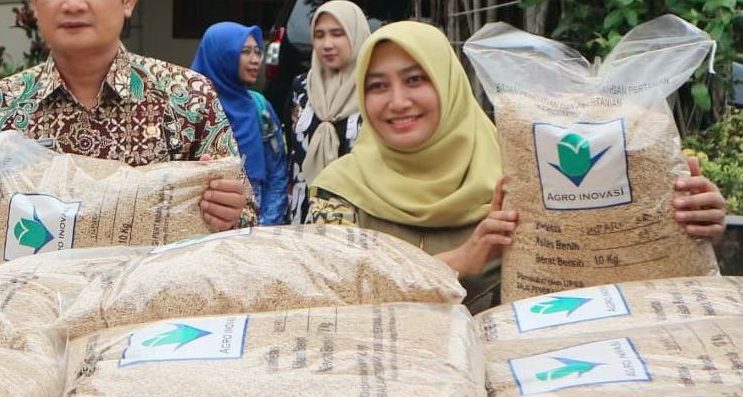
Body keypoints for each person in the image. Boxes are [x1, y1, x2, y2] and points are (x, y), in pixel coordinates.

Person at [306, 21, 728, 312]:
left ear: (450, 85)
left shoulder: (524, 171)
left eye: (416, 80)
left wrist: (683, 222)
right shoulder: (339, 192)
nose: (398, 102)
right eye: (378, 86)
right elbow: (324, 295)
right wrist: (457, 263)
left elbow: (606, 254)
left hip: (536, 382)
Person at [0, 0, 251, 253]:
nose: (73, 3)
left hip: (149, 299)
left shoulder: (188, 97)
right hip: (34, 300)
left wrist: (228, 212)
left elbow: (246, 222)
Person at [190, 22, 289, 225]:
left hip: (254, 234)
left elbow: (277, 173)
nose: (255, 60)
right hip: (199, 230)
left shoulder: (260, 108)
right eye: (245, 52)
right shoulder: (188, 109)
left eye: (257, 52)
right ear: (221, 55)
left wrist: (264, 229)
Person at [289, 0, 371, 223]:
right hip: (303, 214)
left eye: (337, 34)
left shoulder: (374, 88)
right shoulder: (302, 88)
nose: (327, 44)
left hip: (357, 218)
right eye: (319, 35)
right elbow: (293, 156)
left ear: (356, 34)